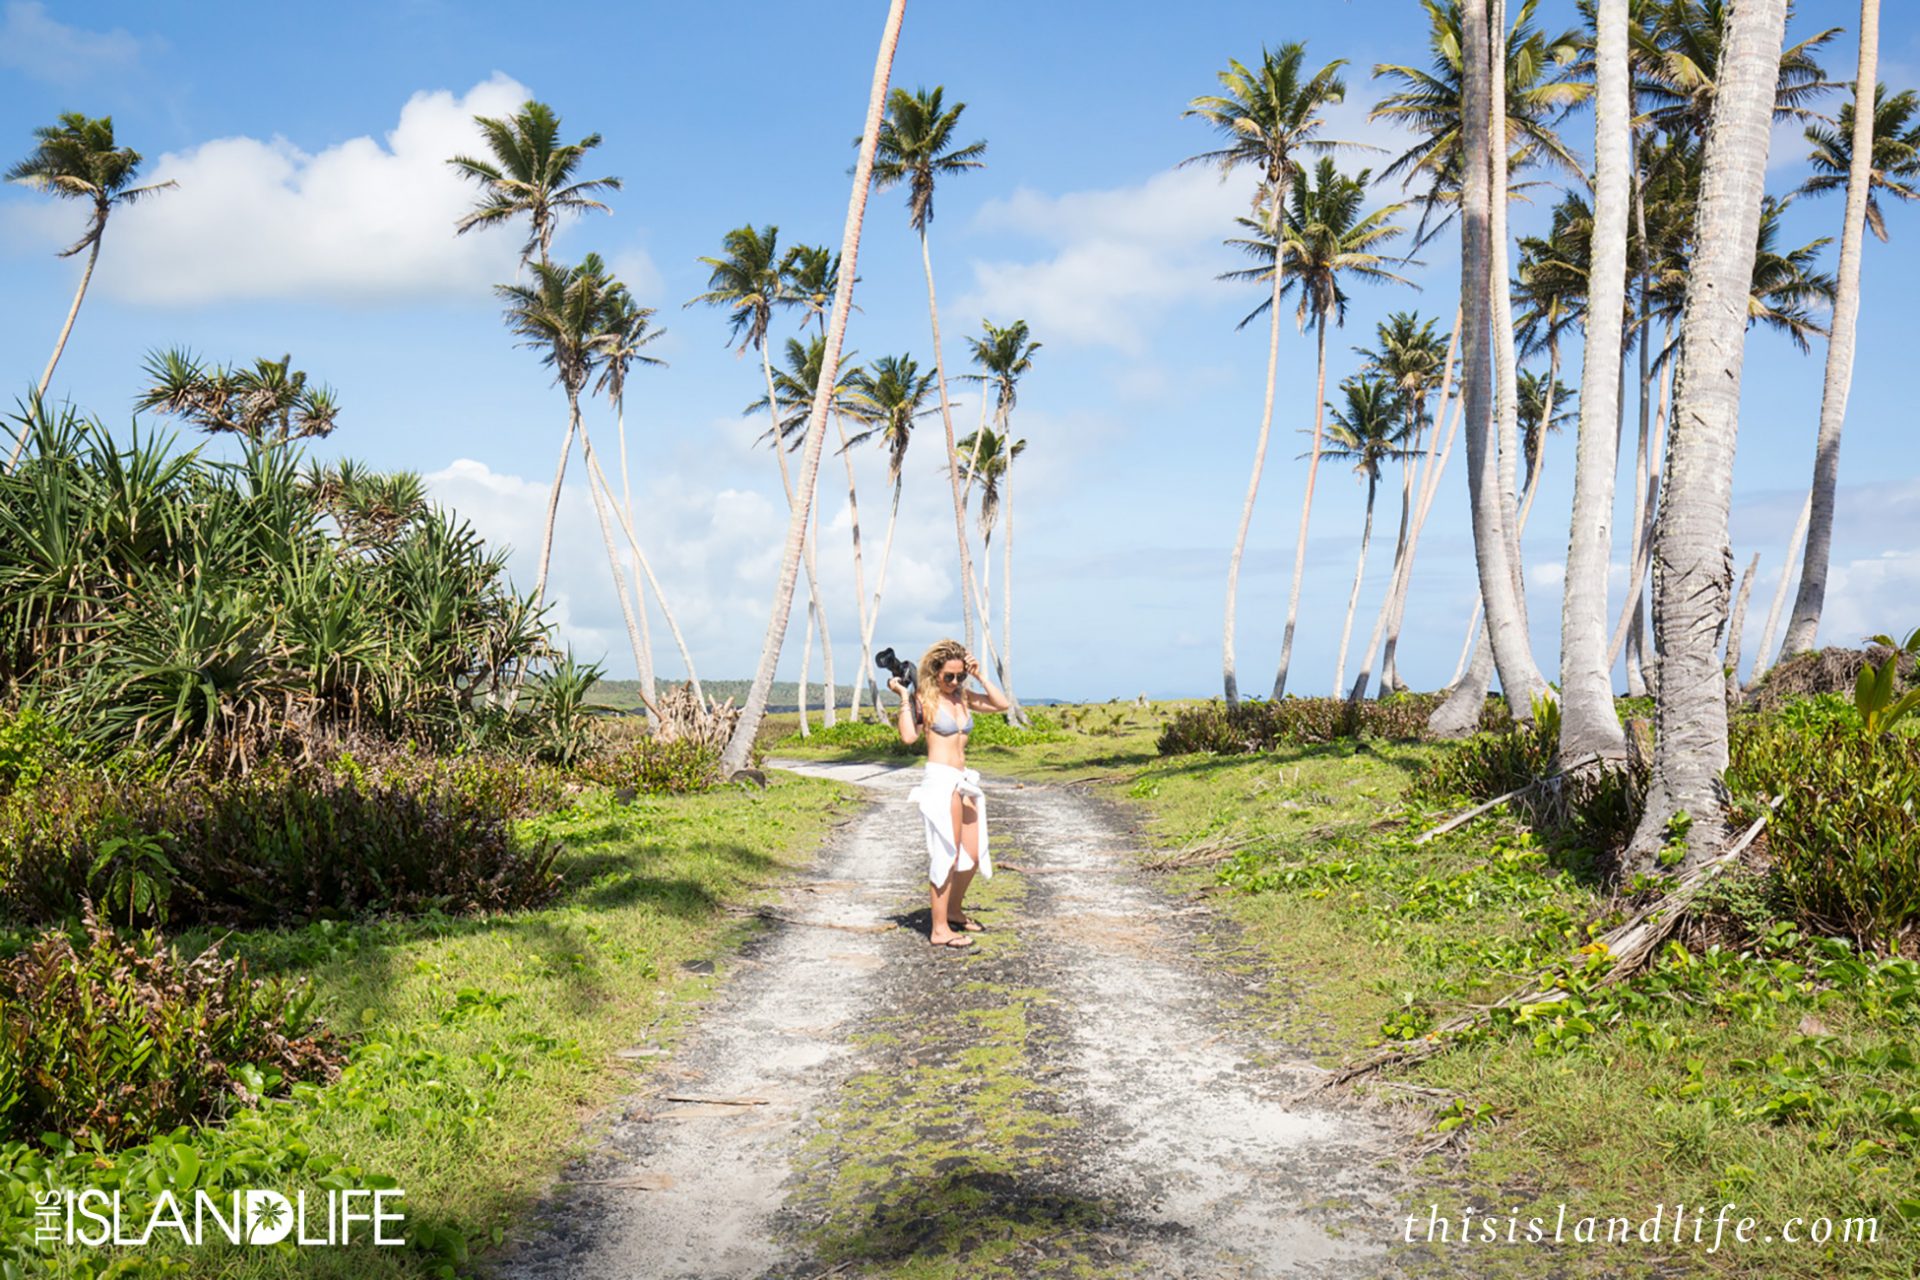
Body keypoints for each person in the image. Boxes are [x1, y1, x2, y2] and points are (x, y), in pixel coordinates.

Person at [887, 638, 1010, 948]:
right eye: (949, 676)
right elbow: (907, 736)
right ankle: (939, 928)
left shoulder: (963, 697)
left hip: (964, 779)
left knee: (971, 851)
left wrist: (980, 676)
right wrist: (904, 696)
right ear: (934, 672)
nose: (955, 682)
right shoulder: (924, 700)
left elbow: (1001, 704)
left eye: (960, 676)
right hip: (940, 780)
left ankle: (954, 910)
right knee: (947, 853)